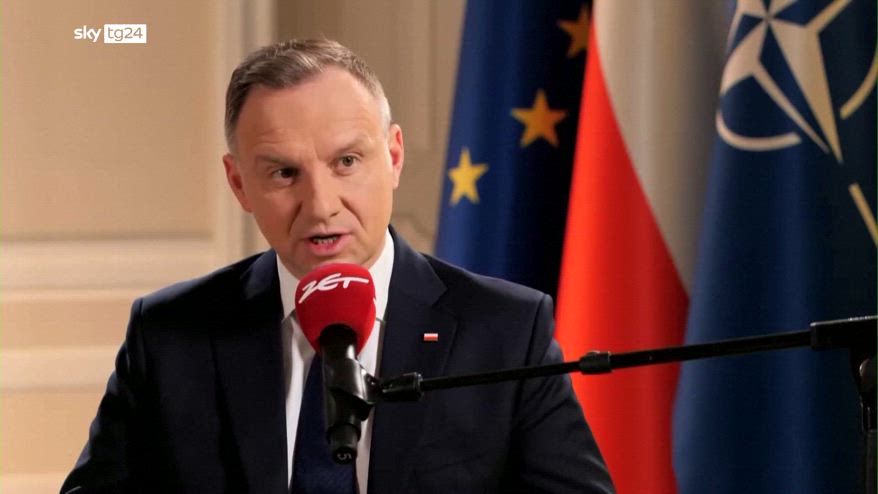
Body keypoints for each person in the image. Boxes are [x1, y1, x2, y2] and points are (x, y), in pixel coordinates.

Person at [61, 39, 614, 493]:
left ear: (393, 157)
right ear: (239, 183)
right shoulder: (169, 335)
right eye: (284, 174)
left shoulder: (505, 330)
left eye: (346, 161)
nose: (321, 205)